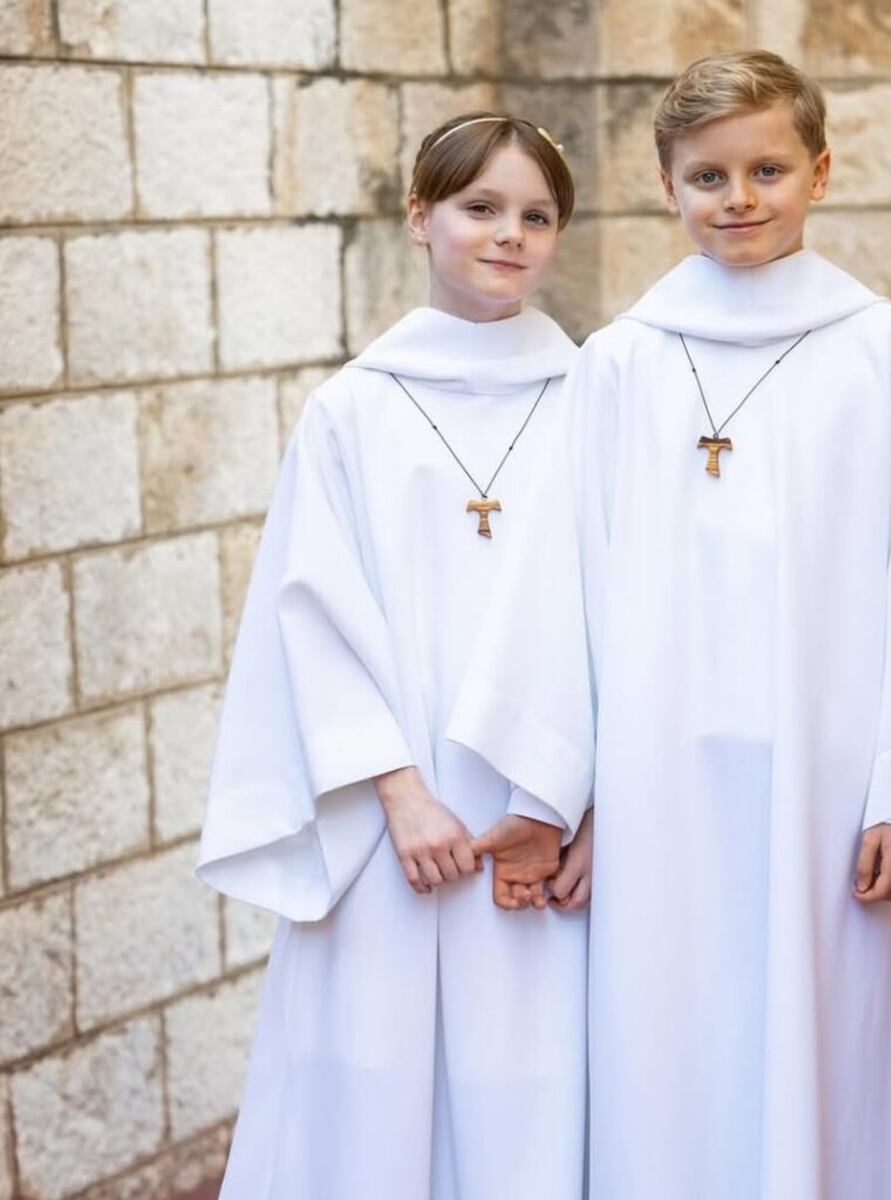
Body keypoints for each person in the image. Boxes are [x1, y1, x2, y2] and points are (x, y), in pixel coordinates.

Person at [447, 52, 891, 1199]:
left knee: (834, 1059)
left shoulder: (889, 354)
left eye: (766, 169)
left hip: (835, 788)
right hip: (661, 801)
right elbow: (564, 590)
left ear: (820, 173)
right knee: (676, 1060)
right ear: (666, 185)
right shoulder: (620, 366)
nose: (738, 197)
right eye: (708, 176)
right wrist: (563, 795)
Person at [197, 112, 592, 1200]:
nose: (508, 234)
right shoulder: (352, 412)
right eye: (480, 208)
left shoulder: (599, 403)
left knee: (540, 1087)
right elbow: (310, 612)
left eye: (536, 215)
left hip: (542, 821)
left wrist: (583, 806)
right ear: (420, 217)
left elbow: (634, 614)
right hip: (400, 826)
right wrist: (400, 794)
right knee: (374, 1092)